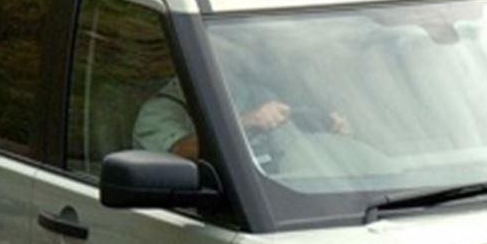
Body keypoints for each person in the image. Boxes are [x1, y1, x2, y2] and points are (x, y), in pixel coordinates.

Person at [134, 78, 348, 160]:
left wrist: (327, 124)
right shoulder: (158, 111)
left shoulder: (244, 90)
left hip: (279, 185)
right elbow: (182, 149)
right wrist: (247, 121)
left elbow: (286, 122)